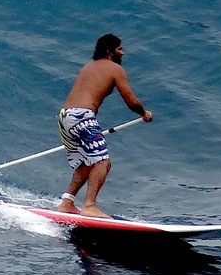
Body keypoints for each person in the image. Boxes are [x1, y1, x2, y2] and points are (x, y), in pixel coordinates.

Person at [57, 33, 152, 216]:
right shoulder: (115, 69)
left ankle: (67, 202)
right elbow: (131, 101)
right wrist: (144, 113)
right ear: (109, 51)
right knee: (102, 162)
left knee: (87, 160)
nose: (123, 53)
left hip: (65, 116)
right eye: (120, 49)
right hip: (83, 117)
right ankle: (89, 206)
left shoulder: (88, 67)